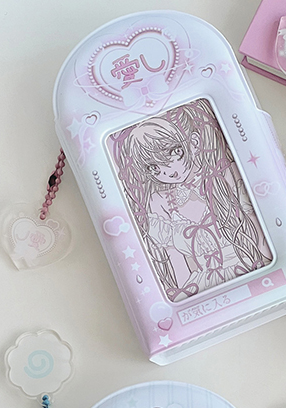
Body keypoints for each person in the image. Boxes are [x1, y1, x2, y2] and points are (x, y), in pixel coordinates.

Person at [112, 98, 271, 300]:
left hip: (250, 266)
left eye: (174, 153)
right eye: (154, 168)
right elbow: (174, 255)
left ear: (194, 143)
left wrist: (268, 264)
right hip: (200, 286)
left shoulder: (226, 176)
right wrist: (183, 293)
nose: (167, 171)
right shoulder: (159, 202)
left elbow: (255, 226)